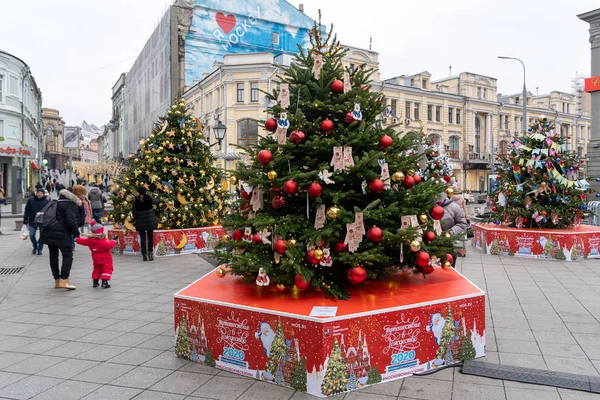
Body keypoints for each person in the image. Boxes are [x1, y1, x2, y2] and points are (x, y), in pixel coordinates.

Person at [39, 189, 81, 290]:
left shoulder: (54, 203)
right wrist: (76, 233)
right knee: (67, 255)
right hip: (62, 234)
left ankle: (57, 280)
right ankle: (64, 279)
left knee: (53, 255)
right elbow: (71, 222)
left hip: (49, 232)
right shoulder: (71, 205)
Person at [75, 221, 116, 288]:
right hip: (105, 257)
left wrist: (77, 240)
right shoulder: (102, 240)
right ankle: (104, 282)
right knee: (107, 268)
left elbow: (83, 241)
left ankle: (95, 281)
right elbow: (108, 245)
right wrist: (113, 241)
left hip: (95, 257)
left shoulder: (90, 240)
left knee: (97, 268)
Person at [437, 192, 469, 267]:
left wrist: (449, 233)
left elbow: (462, 223)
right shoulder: (425, 207)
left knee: (449, 270)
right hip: (429, 246)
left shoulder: (454, 207)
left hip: (449, 244)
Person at [133, 186, 158, 262]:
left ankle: (144, 255)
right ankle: (150, 254)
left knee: (143, 238)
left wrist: (136, 218)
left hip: (141, 222)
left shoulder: (136, 199)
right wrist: (158, 196)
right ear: (145, 191)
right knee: (150, 237)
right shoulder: (148, 198)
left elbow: (134, 210)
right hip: (149, 220)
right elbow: (156, 201)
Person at [23, 188, 50, 255]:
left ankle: (40, 249)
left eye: (41, 193)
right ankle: (35, 246)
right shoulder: (31, 200)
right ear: (36, 193)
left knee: (42, 236)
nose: (39, 194)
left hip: (43, 221)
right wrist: (25, 219)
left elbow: (49, 211)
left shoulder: (46, 202)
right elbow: (27, 210)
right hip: (32, 220)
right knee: (31, 234)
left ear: (43, 194)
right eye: (38, 193)